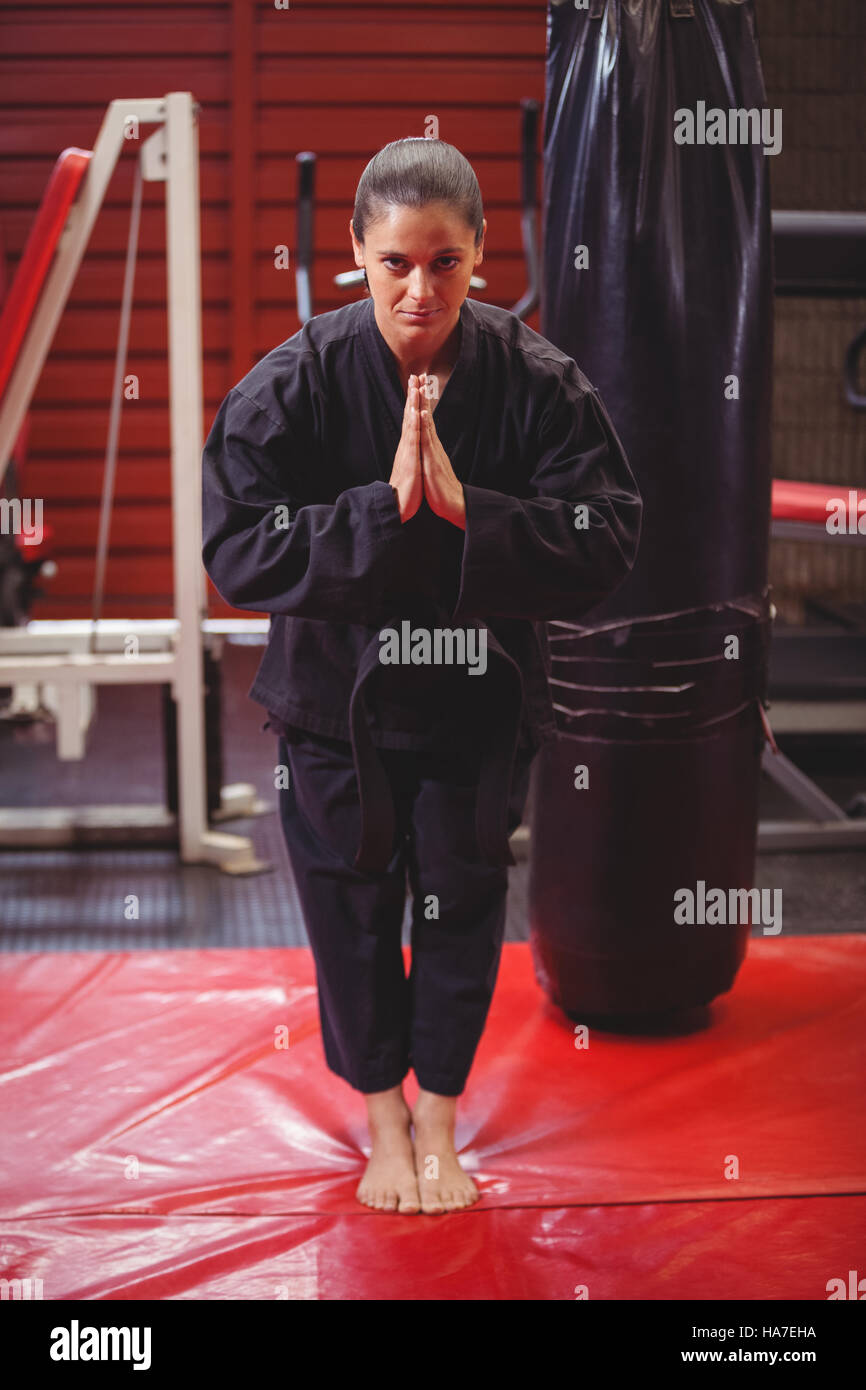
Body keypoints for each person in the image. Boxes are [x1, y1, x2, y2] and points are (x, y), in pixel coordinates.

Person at [201, 138, 642, 1216]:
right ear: (355, 250)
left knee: (457, 904)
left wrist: (466, 512)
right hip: (331, 710)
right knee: (349, 916)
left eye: (444, 262)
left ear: (481, 256)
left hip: (474, 703)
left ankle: (437, 1115)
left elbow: (606, 537)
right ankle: (381, 1119)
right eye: (395, 261)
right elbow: (235, 550)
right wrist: (374, 513)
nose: (418, 287)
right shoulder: (293, 382)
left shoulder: (537, 382)